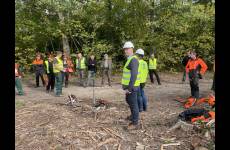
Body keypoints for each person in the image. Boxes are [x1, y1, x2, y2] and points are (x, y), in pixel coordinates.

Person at [121, 41, 141, 130]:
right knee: (129, 101)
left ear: (132, 49)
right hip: (131, 87)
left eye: (127, 49)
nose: (126, 51)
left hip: (132, 87)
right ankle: (133, 116)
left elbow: (134, 75)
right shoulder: (130, 59)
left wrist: (129, 88)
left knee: (133, 104)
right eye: (125, 49)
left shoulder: (133, 60)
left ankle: (135, 123)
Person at [135, 49, 148, 116]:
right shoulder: (145, 63)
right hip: (143, 81)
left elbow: (136, 72)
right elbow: (146, 72)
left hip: (138, 81)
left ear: (138, 55)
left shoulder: (137, 62)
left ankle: (140, 108)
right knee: (143, 94)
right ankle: (145, 108)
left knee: (139, 95)